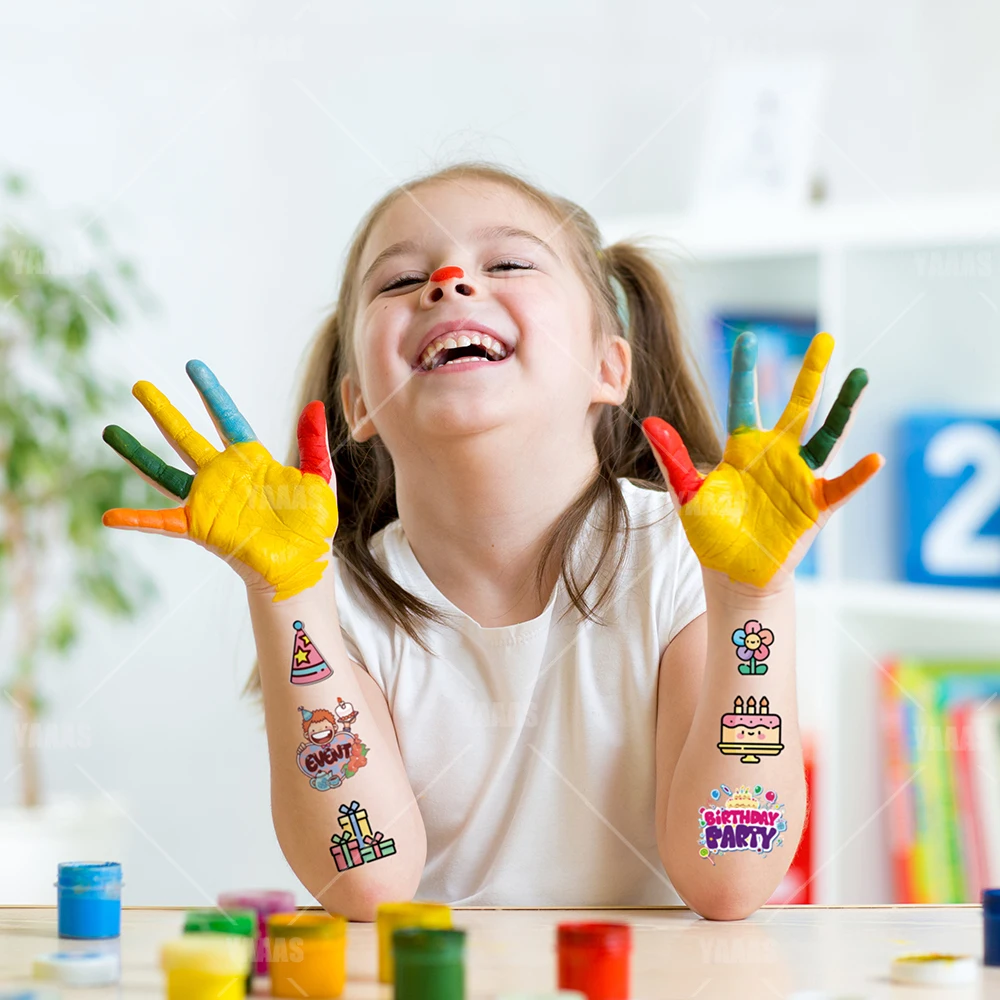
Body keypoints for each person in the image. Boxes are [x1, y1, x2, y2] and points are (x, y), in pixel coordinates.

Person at [101, 162, 882, 921]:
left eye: (507, 261)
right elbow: (366, 884)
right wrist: (286, 594)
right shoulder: (329, 595)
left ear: (608, 367)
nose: (447, 279)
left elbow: (731, 878)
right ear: (357, 403)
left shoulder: (682, 559)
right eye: (401, 281)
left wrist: (752, 596)